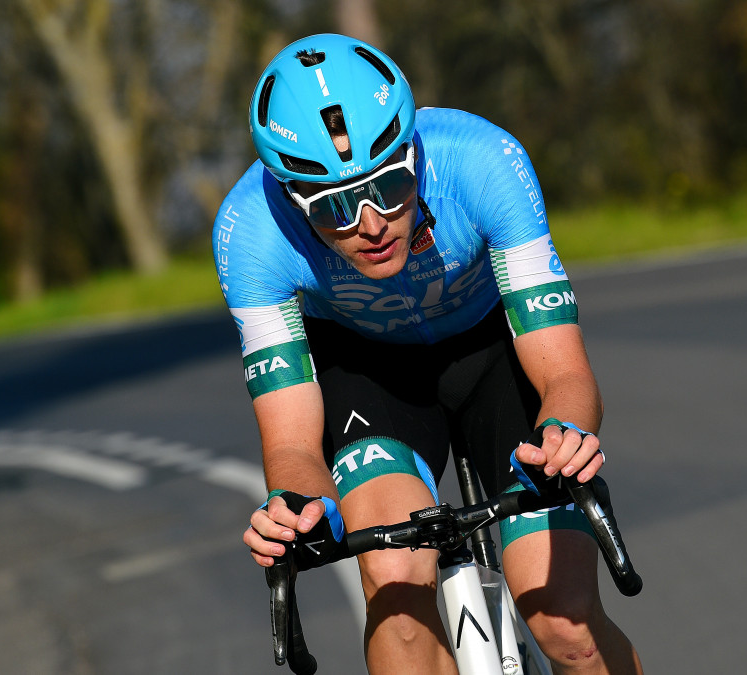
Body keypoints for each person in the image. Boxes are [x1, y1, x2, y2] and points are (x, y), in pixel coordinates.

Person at [213, 34, 642, 674]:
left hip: (494, 351)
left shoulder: (482, 161)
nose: (370, 221)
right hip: (368, 373)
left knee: (563, 620)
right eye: (332, 207)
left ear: (413, 151)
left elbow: (565, 371)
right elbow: (293, 446)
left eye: (390, 186)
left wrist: (566, 431)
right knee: (396, 589)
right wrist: (299, 511)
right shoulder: (250, 232)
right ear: (290, 199)